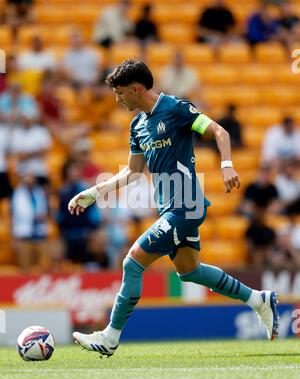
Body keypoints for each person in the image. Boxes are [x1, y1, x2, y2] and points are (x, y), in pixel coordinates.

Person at [68, 59, 279, 356]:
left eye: (120, 93)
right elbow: (132, 172)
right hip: (169, 208)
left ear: (136, 89)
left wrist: (227, 165)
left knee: (132, 263)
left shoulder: (176, 108)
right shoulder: (137, 125)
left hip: (186, 205)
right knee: (189, 271)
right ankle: (258, 299)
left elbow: (220, 132)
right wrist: (93, 192)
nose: (118, 99)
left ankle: (110, 336)